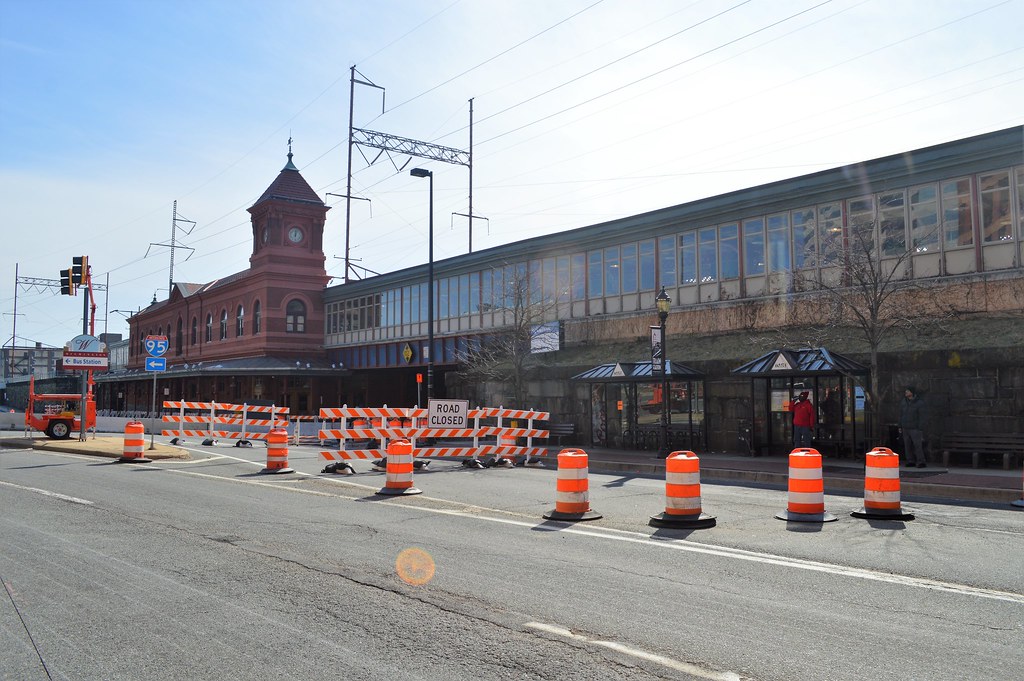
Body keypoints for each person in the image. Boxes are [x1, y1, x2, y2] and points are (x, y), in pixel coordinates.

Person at [899, 386, 928, 467]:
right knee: (907, 445)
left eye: (907, 391)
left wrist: (920, 427)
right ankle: (910, 460)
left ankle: (921, 461)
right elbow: (901, 415)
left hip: (915, 428)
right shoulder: (903, 402)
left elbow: (922, 416)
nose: (906, 392)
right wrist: (900, 426)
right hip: (905, 427)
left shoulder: (919, 403)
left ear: (912, 392)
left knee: (917, 445)